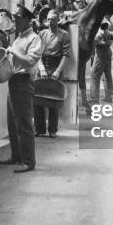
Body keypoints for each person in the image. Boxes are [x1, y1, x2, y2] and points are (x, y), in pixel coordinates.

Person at [2, 4, 43, 173]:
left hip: (24, 82)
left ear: (26, 21)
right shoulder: (18, 37)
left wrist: (12, 51)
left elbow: (30, 61)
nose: (15, 23)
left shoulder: (34, 39)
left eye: (18, 20)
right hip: (13, 80)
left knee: (24, 123)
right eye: (15, 20)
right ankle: (16, 155)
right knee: (12, 122)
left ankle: (29, 161)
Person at [34, 9, 71, 138]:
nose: (50, 22)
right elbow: (37, 53)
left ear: (58, 20)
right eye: (48, 19)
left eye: (53, 20)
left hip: (56, 66)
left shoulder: (64, 35)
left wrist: (58, 71)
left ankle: (53, 130)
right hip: (43, 66)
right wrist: (41, 68)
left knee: (54, 100)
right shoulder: (41, 33)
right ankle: (39, 129)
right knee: (37, 98)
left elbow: (66, 55)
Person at [90, 20, 113, 104]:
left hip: (101, 54)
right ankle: (109, 96)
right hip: (107, 53)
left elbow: (96, 40)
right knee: (107, 75)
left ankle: (94, 98)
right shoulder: (108, 32)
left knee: (94, 76)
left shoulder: (100, 33)